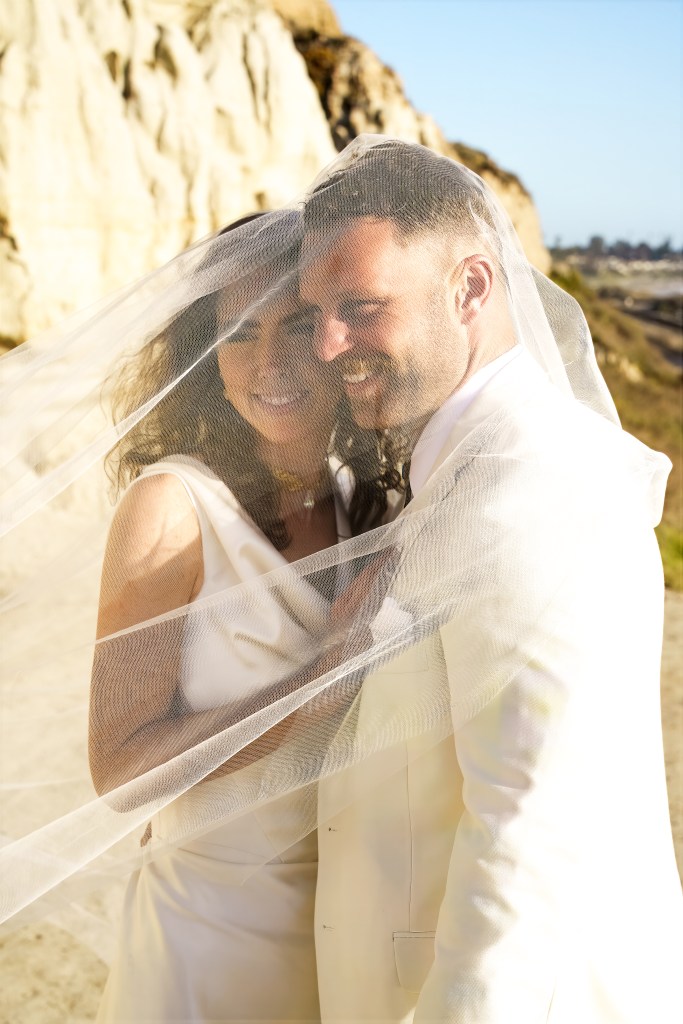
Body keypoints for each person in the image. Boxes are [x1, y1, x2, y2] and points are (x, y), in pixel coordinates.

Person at [297, 137, 683, 1022]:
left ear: (470, 288)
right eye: (314, 311)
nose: (325, 345)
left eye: (358, 307)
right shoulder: (465, 466)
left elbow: (527, 847)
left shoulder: (532, 489)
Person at [90, 212, 374, 1023]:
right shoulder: (171, 509)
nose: (270, 363)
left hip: (338, 935)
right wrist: (312, 690)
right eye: (240, 334)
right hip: (202, 942)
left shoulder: (361, 502)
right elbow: (121, 768)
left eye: (295, 324)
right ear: (206, 361)